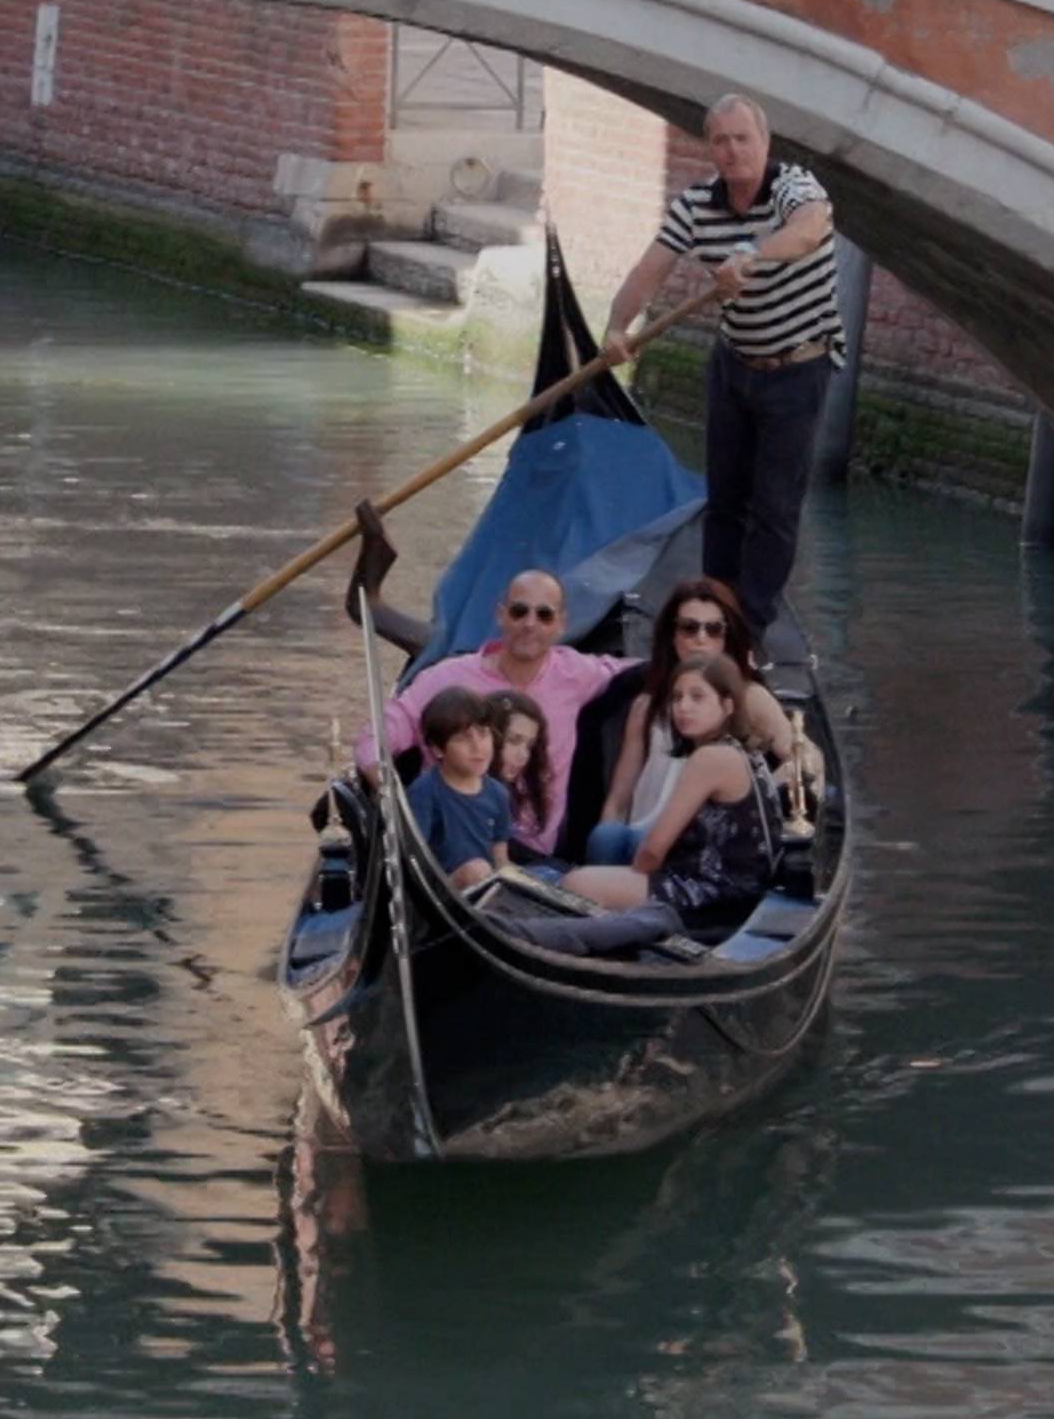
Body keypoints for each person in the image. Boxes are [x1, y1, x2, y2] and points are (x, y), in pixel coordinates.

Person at [603, 94, 843, 631]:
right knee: (725, 499)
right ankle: (712, 610)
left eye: (743, 139)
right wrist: (617, 326)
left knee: (775, 508)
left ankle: (749, 628)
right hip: (733, 365)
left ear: (765, 143)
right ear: (709, 148)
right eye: (721, 140)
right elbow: (651, 269)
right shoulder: (696, 205)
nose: (733, 151)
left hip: (799, 368)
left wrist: (753, 255)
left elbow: (809, 227)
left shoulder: (793, 187)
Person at [357, 540, 636, 865]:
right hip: (452, 847)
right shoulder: (446, 677)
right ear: (501, 615)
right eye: (519, 611)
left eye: (544, 615)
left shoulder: (577, 674)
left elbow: (641, 670)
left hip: (531, 858)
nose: (530, 623)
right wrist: (388, 793)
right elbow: (381, 731)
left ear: (561, 625)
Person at [580, 579, 812, 868]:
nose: (701, 639)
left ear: (727, 637)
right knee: (606, 837)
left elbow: (806, 758)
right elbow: (619, 798)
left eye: (713, 629)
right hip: (640, 837)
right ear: (673, 634)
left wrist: (761, 789)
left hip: (698, 844)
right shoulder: (646, 704)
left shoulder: (747, 696)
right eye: (689, 628)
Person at [559, 654, 778, 930]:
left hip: (716, 895)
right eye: (677, 697)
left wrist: (627, 881)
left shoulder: (710, 759)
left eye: (697, 697)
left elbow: (652, 850)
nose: (683, 707)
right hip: (741, 886)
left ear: (727, 705)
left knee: (577, 882)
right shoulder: (747, 752)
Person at [401, 686, 512, 894]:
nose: (478, 747)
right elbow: (413, 861)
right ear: (437, 748)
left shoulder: (498, 794)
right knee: (476, 871)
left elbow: (501, 857)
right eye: (463, 738)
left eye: (483, 734)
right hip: (441, 892)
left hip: (485, 889)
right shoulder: (424, 792)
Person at [483, 690, 560, 868]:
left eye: (529, 745)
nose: (523, 756)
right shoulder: (476, 792)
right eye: (514, 740)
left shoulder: (504, 791)